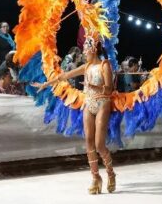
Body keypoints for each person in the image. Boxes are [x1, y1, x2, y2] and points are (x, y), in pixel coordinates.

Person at [32, 36, 117, 194]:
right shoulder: (86, 67)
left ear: (94, 49)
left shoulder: (105, 65)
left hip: (102, 103)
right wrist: (46, 84)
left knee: (99, 144)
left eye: (86, 48)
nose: (84, 51)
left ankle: (111, 173)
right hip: (88, 104)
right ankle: (95, 177)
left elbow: (109, 90)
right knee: (89, 142)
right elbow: (64, 76)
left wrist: (92, 86)